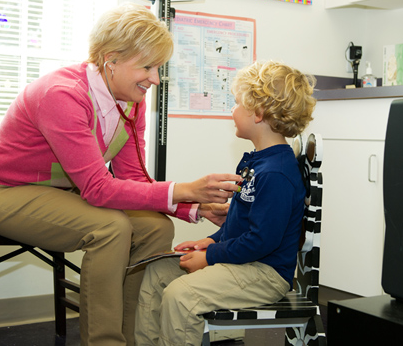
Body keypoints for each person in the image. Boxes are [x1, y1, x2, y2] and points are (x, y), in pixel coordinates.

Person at [0, 3, 240, 346]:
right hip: (0, 192)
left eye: (158, 68)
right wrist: (187, 191)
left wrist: (193, 208)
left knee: (157, 227)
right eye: (147, 67)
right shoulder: (62, 94)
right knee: (110, 228)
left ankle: (136, 335)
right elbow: (97, 189)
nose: (155, 79)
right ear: (111, 59)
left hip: (61, 194)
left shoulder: (131, 101)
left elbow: (134, 180)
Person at [134, 60, 316, 346]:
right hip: (245, 260)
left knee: (181, 296)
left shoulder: (276, 173)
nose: (231, 111)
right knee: (158, 272)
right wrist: (210, 240)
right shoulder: (259, 162)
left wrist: (211, 256)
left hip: (264, 273)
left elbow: (261, 241)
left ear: (258, 112)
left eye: (236, 104)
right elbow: (241, 224)